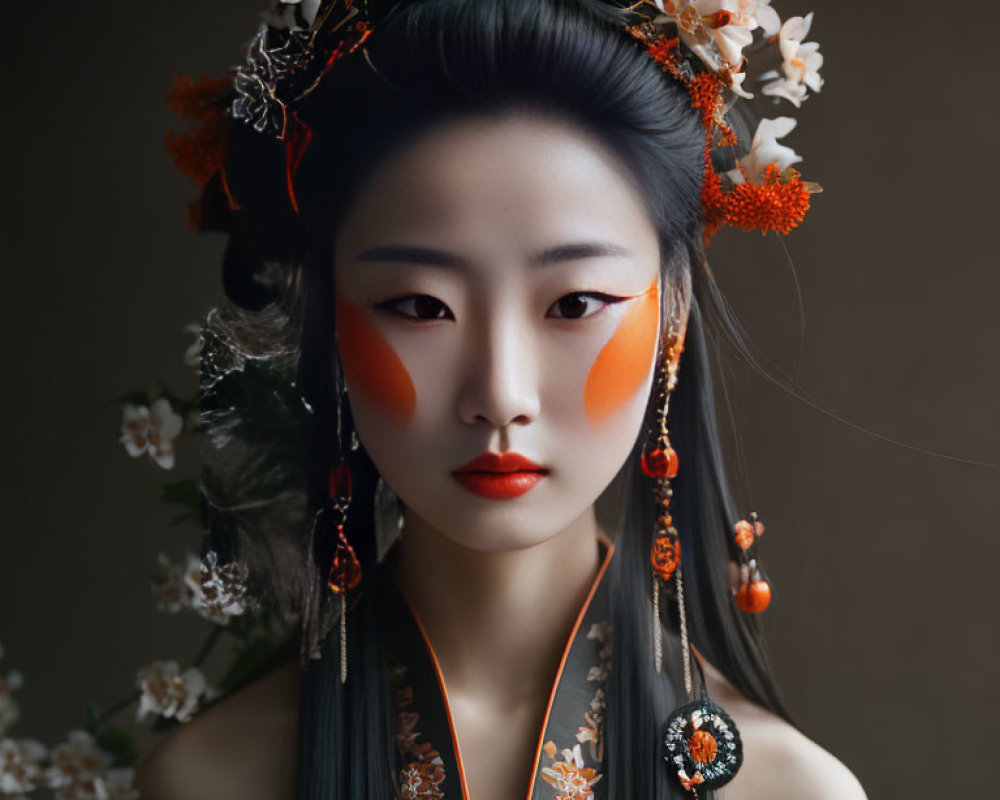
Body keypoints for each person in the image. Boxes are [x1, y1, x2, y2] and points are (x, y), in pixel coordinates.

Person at [136, 1, 867, 798]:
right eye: (418, 306)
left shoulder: (786, 789)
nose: (500, 395)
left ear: (674, 311)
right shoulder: (211, 780)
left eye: (576, 304)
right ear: (327, 317)